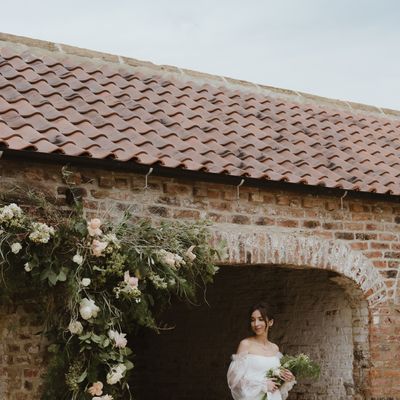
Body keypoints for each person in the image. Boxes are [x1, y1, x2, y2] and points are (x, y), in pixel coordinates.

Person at [227, 303, 296, 400]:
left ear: (271, 322)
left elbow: (277, 381)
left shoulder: (275, 348)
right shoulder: (245, 344)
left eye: (261, 319)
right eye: (252, 320)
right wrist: (262, 385)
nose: (256, 324)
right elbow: (233, 381)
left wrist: (286, 378)